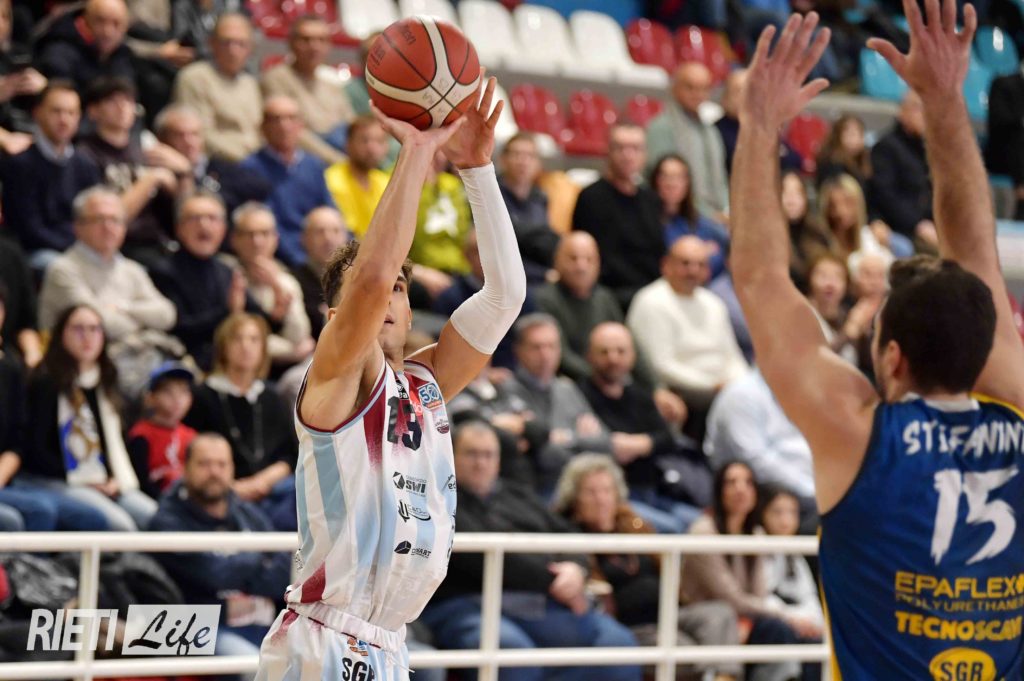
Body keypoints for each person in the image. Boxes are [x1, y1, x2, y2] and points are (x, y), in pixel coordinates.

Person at [729, 7, 1024, 677]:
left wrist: (759, 125)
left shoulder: (857, 434)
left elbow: (760, 278)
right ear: (984, 348)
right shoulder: (1016, 405)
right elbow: (977, 249)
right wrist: (946, 100)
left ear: (891, 356)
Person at [254, 76, 527, 681]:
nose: (386, 296)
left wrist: (477, 169)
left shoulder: (427, 382)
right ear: (335, 318)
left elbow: (506, 295)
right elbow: (374, 275)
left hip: (389, 644)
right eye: (369, 292)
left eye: (401, 288)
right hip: (324, 638)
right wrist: (418, 150)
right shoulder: (336, 375)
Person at [420, 421, 642, 681]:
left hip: (541, 601)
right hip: (468, 602)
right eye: (472, 454)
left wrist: (576, 569)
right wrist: (553, 580)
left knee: (620, 646)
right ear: (451, 456)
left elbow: (567, 533)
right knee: (511, 656)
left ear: (499, 460)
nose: (481, 463)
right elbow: (477, 560)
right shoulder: (437, 499)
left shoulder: (517, 494)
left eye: (488, 455)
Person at [553, 454, 741, 681]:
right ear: (574, 498)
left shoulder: (634, 525)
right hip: (631, 625)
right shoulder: (570, 536)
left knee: (719, 614)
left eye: (607, 490)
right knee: (685, 652)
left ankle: (721, 677)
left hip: (670, 613)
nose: (601, 499)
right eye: (591, 492)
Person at [148, 432, 292, 658]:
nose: (214, 472)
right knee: (249, 664)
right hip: (197, 625)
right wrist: (258, 557)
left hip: (265, 624)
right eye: (204, 464)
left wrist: (234, 565)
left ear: (232, 469)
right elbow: (213, 574)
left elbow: (284, 574)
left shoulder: (247, 513)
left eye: (221, 464)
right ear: (185, 468)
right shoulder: (167, 520)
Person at [16, 304, 158, 531]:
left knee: (154, 516)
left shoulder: (107, 381)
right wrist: (87, 479)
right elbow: (36, 450)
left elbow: (115, 444)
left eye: (94, 329)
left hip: (104, 479)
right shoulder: (45, 381)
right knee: (122, 526)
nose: (87, 337)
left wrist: (111, 478)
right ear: (61, 333)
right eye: (78, 329)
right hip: (55, 478)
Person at [37, 187, 180, 396]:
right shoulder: (64, 269)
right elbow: (106, 326)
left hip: (138, 359)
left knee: (180, 387)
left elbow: (167, 315)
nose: (108, 227)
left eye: (115, 220)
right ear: (78, 227)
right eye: (99, 219)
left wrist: (123, 308)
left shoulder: (131, 269)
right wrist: (142, 320)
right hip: (81, 370)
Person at [682, 462, 818, 681]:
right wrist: (784, 616)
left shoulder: (755, 534)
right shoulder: (703, 532)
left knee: (809, 640)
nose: (740, 489)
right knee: (776, 628)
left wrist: (758, 619)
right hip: (704, 614)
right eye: (731, 482)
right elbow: (728, 596)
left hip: (745, 615)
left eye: (747, 483)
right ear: (719, 490)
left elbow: (759, 593)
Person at [580, 322, 706, 533]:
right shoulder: (580, 395)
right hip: (617, 497)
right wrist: (639, 443)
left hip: (655, 491)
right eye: (604, 352)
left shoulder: (640, 395)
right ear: (589, 356)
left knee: (704, 525)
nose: (613, 359)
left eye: (621, 351)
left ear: (633, 356)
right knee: (673, 529)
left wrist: (641, 444)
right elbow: (604, 444)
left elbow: (668, 439)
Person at [183, 313, 298, 530]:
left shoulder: (273, 397)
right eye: (237, 339)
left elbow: (289, 456)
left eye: (254, 339)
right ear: (223, 346)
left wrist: (262, 482)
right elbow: (191, 454)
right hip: (219, 491)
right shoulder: (202, 396)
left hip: (274, 490)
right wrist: (230, 486)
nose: (246, 346)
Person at [627, 236, 749, 440]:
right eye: (685, 263)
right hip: (678, 392)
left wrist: (740, 384)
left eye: (700, 265)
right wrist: (712, 385)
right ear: (666, 265)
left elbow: (732, 355)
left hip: (723, 390)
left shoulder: (714, 303)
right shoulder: (651, 301)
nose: (693, 271)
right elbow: (660, 366)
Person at [150, 191, 274, 370]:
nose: (204, 224)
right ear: (179, 228)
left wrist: (278, 314)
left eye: (212, 218)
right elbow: (179, 328)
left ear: (223, 229)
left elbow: (259, 320)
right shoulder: (164, 272)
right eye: (194, 218)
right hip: (187, 364)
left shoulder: (227, 270)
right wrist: (228, 312)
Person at [503, 314, 613, 492]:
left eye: (551, 346)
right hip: (541, 489)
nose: (545, 355)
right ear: (518, 350)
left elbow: (605, 443)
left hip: (584, 489)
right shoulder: (507, 390)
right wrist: (581, 439)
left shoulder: (567, 388)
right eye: (536, 347)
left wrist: (565, 437)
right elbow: (545, 455)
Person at [0, 81, 100, 266]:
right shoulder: (19, 165)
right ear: (37, 113)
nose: (64, 120)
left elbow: (95, 217)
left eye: (71, 113)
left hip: (83, 250)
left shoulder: (86, 165)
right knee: (56, 266)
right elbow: (28, 230)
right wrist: (77, 252)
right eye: (56, 111)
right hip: (38, 252)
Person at [704, 368, 817, 525]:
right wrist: (810, 489)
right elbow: (754, 460)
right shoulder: (742, 395)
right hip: (768, 492)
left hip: (810, 488)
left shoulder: (801, 391)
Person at [572, 124, 665, 310]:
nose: (628, 155)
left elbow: (658, 253)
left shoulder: (651, 199)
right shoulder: (591, 198)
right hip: (608, 293)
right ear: (608, 151)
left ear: (645, 155)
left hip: (652, 293)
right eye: (620, 148)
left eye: (635, 148)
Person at [240, 95, 336, 267]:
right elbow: (266, 225)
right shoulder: (251, 168)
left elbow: (330, 210)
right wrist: (301, 262)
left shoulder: (313, 165)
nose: (284, 125)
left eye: (291, 118)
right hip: (282, 259)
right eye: (276, 119)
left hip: (320, 254)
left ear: (301, 125)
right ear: (263, 127)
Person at [228, 202, 314, 368]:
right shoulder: (227, 274)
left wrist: (276, 286)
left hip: (285, 370)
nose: (257, 241)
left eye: (264, 233)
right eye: (249, 234)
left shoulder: (286, 281)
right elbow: (234, 338)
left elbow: (300, 338)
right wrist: (290, 353)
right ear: (234, 239)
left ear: (275, 239)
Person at [260, 14, 354, 165]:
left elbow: (352, 127)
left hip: (341, 156)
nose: (314, 46)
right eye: (306, 40)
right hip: (301, 161)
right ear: (291, 43)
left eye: (321, 40)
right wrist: (340, 162)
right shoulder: (276, 78)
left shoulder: (331, 83)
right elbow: (291, 132)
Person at [154, 103, 271, 216]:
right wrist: (184, 176)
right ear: (162, 140)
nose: (189, 142)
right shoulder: (154, 174)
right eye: (179, 135)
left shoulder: (219, 167)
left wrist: (188, 172)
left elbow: (262, 188)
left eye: (194, 134)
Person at [172, 12, 261, 162]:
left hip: (255, 163)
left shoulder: (250, 83)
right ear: (211, 44)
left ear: (250, 48)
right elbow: (199, 136)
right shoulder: (195, 77)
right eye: (226, 42)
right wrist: (250, 161)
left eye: (241, 43)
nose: (233, 50)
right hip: (218, 163)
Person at [535, 232, 624, 382]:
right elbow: (560, 354)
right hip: (567, 381)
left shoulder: (605, 298)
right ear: (556, 260)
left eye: (589, 259)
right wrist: (598, 377)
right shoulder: (544, 299)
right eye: (573, 258)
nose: (581, 266)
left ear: (598, 264)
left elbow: (625, 342)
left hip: (607, 379)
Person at [646, 63, 729, 219]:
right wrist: (710, 216)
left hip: (715, 215)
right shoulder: (661, 128)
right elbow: (664, 186)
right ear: (675, 88)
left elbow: (721, 180)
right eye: (690, 87)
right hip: (678, 217)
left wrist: (726, 211)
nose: (698, 94)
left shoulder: (711, 131)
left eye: (704, 89)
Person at [868, 90, 938, 247]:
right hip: (897, 227)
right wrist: (917, 224)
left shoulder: (929, 150)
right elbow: (885, 196)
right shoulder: (886, 148)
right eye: (919, 108)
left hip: (928, 225)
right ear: (902, 112)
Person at [650, 153, 730, 280]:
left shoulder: (698, 220)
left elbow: (724, 247)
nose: (672, 184)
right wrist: (702, 252)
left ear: (687, 183)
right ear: (655, 181)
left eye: (678, 177)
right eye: (666, 177)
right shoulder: (648, 222)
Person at [33, 0, 135, 96]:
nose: (108, 32)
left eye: (116, 24)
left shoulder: (125, 57)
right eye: (100, 21)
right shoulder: (58, 53)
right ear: (85, 21)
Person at [759, 485, 824, 631]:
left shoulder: (796, 553)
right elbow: (763, 597)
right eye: (778, 512)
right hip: (775, 622)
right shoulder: (755, 548)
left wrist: (810, 622)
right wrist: (793, 619)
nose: (785, 520)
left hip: (800, 622)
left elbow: (809, 597)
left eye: (792, 512)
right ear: (763, 513)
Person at [127, 360, 196, 500]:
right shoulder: (141, 435)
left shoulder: (192, 437)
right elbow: (141, 483)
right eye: (167, 391)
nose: (177, 399)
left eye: (183, 391)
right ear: (150, 398)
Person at [497, 132, 560, 283]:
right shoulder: (491, 195)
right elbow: (499, 249)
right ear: (503, 160)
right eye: (516, 154)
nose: (523, 161)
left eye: (530, 156)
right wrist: (542, 274)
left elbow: (545, 243)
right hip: (504, 277)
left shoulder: (541, 198)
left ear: (539, 164)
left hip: (540, 276)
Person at [323, 114, 390, 238]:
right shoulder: (331, 180)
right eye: (364, 140)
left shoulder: (386, 183)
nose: (371, 148)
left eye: (379, 141)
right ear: (348, 144)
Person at [291, 206, 349, 340]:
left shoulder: (358, 279)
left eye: (336, 231)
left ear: (346, 237)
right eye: (320, 232)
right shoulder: (293, 280)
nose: (328, 238)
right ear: (304, 238)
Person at [780, 170, 834, 289]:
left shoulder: (818, 234)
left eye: (797, 193)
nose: (791, 200)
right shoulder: (769, 241)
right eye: (785, 192)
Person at [815, 114, 871, 189]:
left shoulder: (864, 161)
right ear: (838, 136)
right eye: (851, 134)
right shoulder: (832, 164)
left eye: (860, 134)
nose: (856, 139)